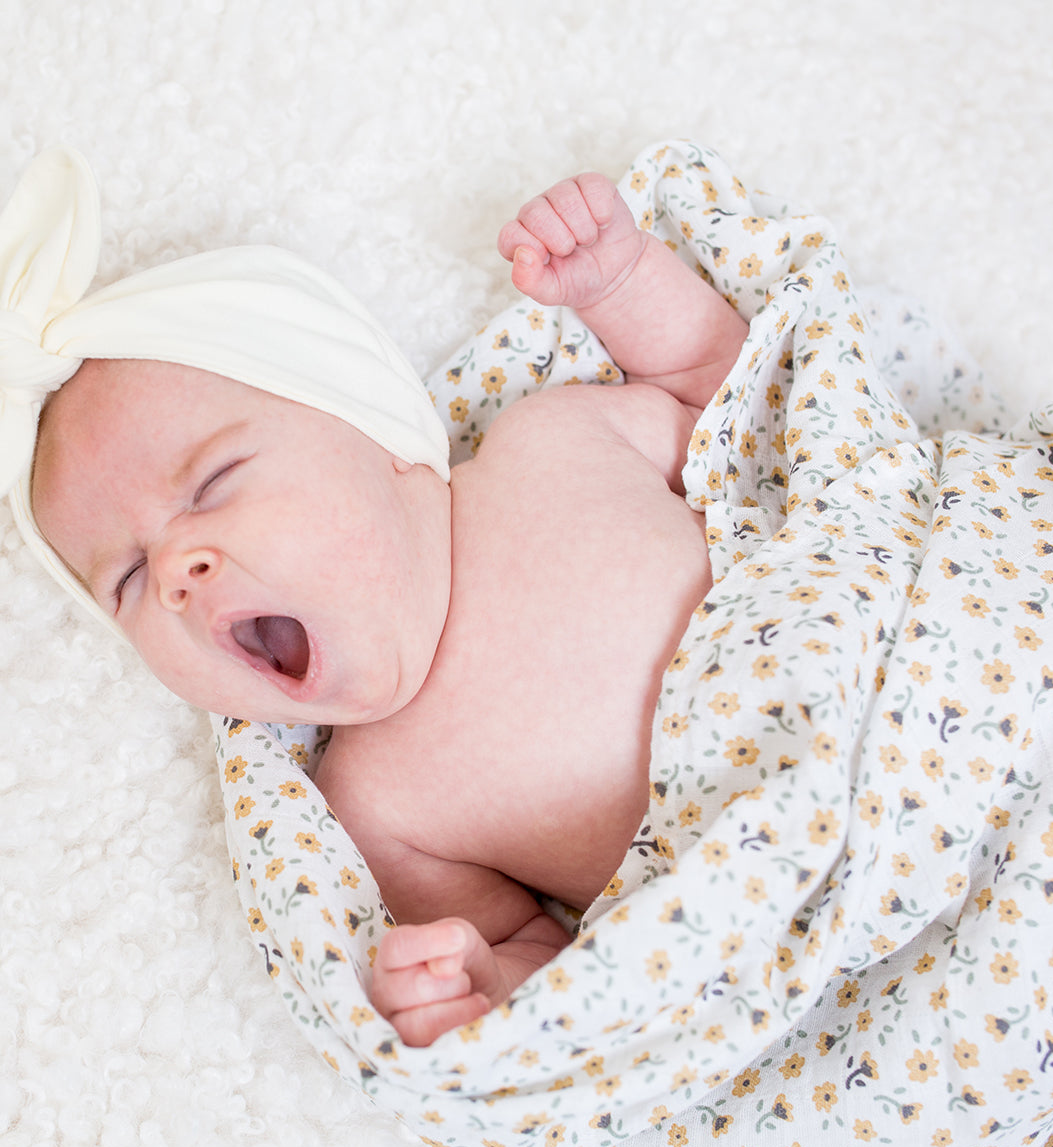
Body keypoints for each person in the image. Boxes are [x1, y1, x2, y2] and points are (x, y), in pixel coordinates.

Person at [29, 172, 750, 1047]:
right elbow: (541, 952)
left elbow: (734, 407)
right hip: (787, 888)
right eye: (129, 579)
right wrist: (476, 987)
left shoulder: (554, 445)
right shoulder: (373, 813)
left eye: (213, 483)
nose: (179, 568)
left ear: (378, 431)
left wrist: (623, 281)